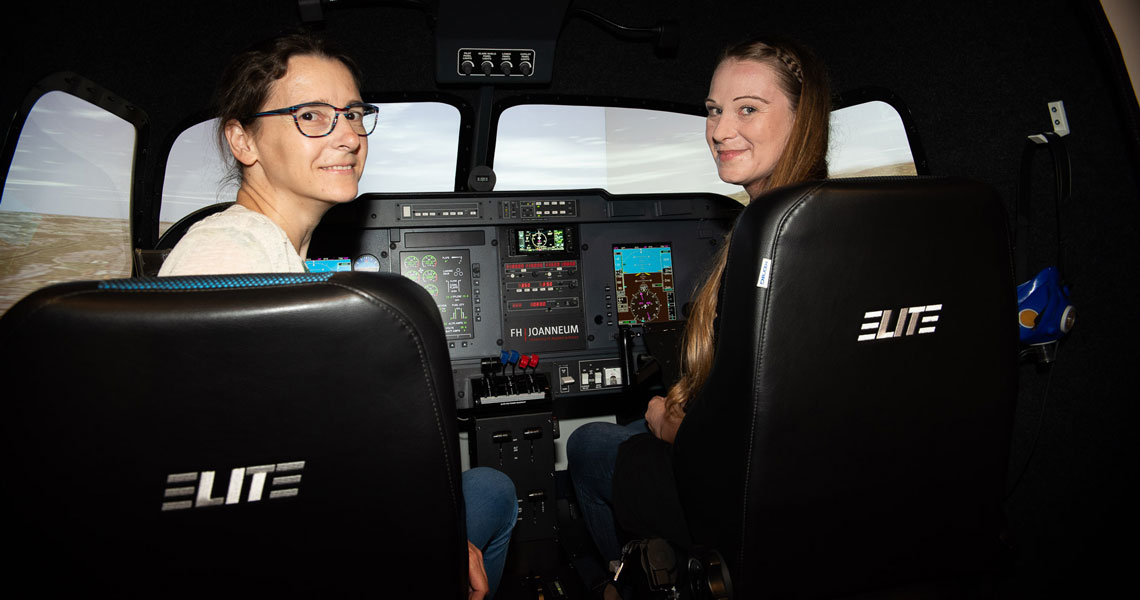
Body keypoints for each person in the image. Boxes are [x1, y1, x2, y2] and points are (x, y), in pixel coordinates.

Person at [158, 32, 517, 600]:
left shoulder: (272, 253)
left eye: (353, 114)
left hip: (303, 532)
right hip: (282, 555)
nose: (348, 135)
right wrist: (422, 537)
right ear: (242, 139)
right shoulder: (229, 259)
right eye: (311, 116)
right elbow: (226, 487)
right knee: (493, 494)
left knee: (488, 487)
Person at [566, 36, 831, 597]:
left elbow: (732, 440)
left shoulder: (770, 240)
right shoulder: (833, 222)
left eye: (748, 109)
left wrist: (667, 420)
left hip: (740, 496)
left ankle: (633, 578)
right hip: (819, 482)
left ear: (802, 117)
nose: (719, 130)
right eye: (713, 110)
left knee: (591, 444)